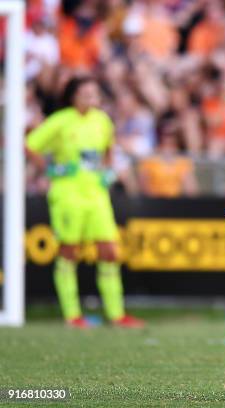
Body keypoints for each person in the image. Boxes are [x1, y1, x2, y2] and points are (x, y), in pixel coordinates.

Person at [26, 76, 144, 329]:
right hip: (68, 194)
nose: (93, 98)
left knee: (110, 251)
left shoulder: (102, 120)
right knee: (69, 251)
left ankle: (116, 314)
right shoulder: (60, 120)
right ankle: (73, 316)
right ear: (73, 96)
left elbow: (109, 150)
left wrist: (107, 172)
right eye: (87, 94)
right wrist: (51, 169)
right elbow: (30, 145)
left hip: (96, 194)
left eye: (95, 94)